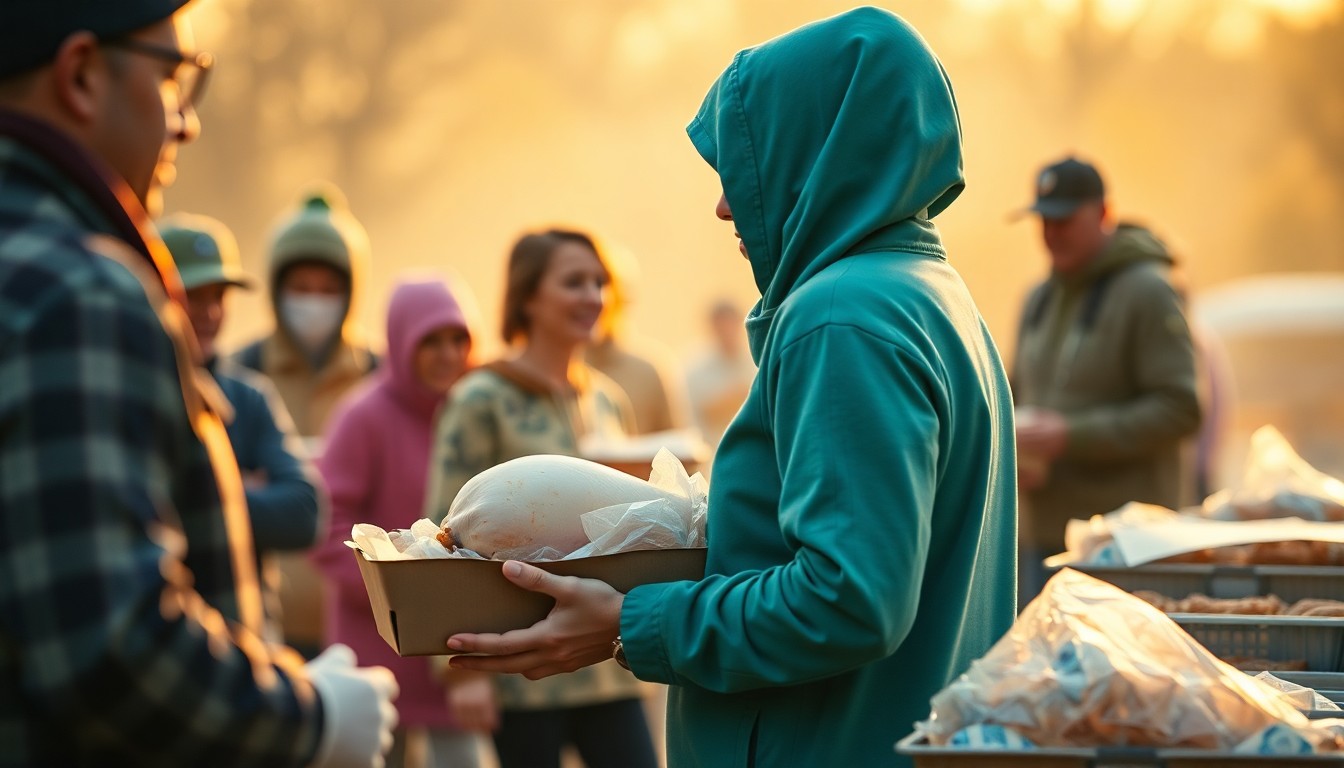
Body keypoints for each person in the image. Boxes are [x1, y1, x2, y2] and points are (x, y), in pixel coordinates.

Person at [443, 9, 1018, 768]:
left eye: (748, 164)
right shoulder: (935, 295)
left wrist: (630, 623)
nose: (723, 204)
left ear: (816, 157)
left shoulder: (841, 316)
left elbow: (849, 599)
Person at [0, 3, 397, 766]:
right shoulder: (78, 294)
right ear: (81, 74)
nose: (186, 123)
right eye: (174, 78)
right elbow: (111, 650)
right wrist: (309, 719)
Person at [424, 228, 659, 768]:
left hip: (610, 659)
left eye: (599, 282)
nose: (593, 296)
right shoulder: (482, 398)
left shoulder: (606, 398)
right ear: (528, 296)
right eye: (574, 282)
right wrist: (455, 672)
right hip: (523, 665)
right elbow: (441, 536)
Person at [312, 278, 488, 768]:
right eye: (429, 341)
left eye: (459, 339)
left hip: (454, 655)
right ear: (399, 343)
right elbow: (326, 524)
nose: (447, 354)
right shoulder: (364, 416)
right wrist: (389, 590)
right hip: (376, 650)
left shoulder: (478, 415)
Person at [1011, 156, 1201, 597]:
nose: (1051, 234)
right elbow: (1015, 392)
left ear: (1102, 214)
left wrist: (1070, 437)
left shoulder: (1149, 292)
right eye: (1043, 221)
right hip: (1042, 539)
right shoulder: (1038, 298)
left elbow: (1181, 408)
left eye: (1064, 220)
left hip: (1125, 550)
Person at [160, 213, 326, 643]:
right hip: (162, 630)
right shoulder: (135, 393)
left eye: (219, 296)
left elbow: (304, 513)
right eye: (193, 297)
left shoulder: (249, 398)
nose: (211, 312)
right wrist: (242, 487)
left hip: (248, 638)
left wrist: (187, 498)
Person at [234, 183, 379, 657]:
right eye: (300, 288)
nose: (313, 302)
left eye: (328, 289)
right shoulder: (241, 378)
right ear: (275, 291)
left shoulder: (380, 379)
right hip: (266, 629)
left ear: (351, 292)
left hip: (368, 627)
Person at [583, 238, 690, 435]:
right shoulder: (557, 368)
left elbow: (674, 449)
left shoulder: (649, 370)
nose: (592, 301)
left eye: (601, 286)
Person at [683, 298, 756, 451]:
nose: (727, 332)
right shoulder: (696, 367)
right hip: (711, 451)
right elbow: (702, 412)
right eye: (722, 326)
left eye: (731, 325)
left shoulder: (755, 360)